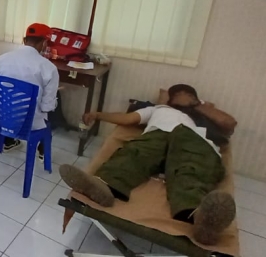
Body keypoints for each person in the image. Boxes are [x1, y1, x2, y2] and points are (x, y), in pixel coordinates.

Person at [59, 84, 238, 245]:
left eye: (188, 95)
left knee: (192, 168)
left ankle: (200, 218)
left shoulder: (203, 114)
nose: (182, 97)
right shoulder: (158, 109)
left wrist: (196, 105)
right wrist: (98, 115)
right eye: (178, 94)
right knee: (135, 154)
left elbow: (229, 124)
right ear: (170, 99)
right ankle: (103, 187)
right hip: (158, 135)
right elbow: (127, 119)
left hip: (192, 140)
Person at [0, 23, 59, 153]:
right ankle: (42, 150)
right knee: (52, 104)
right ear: (44, 43)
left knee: (11, 100)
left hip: (0, 117)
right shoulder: (49, 68)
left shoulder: (1, 59)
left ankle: (7, 141)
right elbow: (47, 107)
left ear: (24, 40)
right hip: (29, 124)